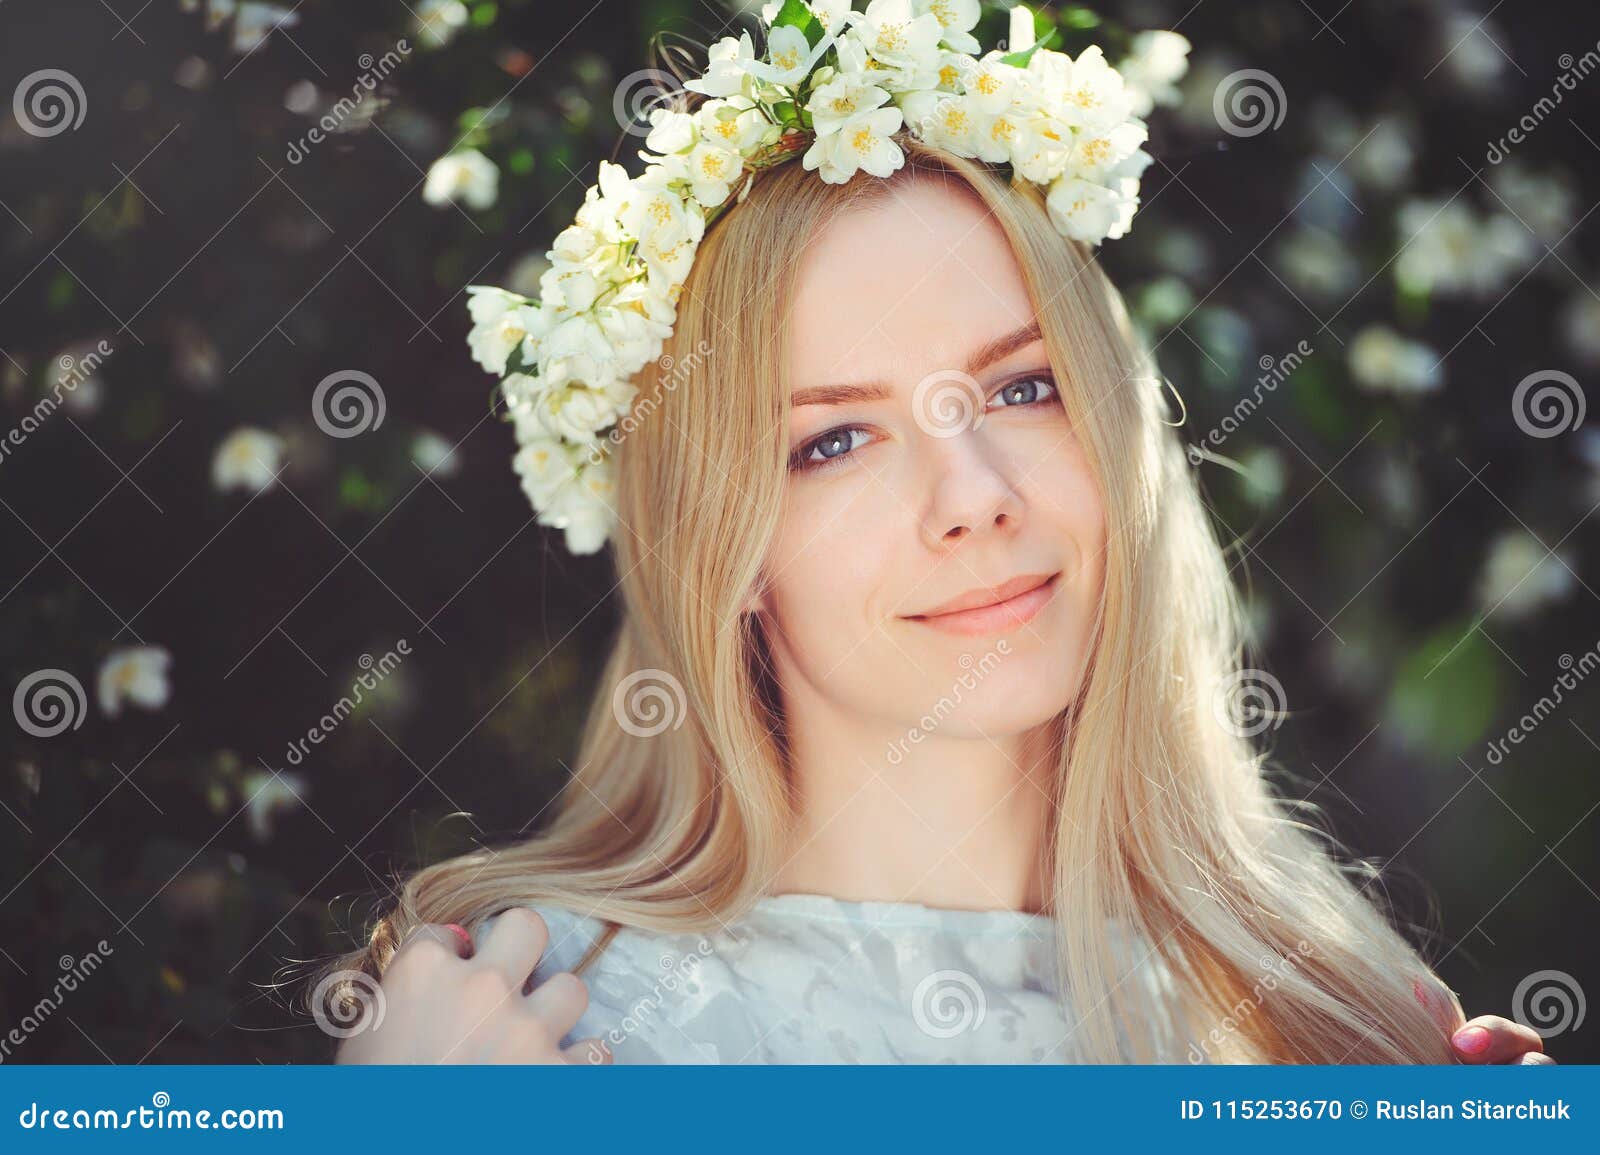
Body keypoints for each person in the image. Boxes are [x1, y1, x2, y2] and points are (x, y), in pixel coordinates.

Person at [319, 2, 1554, 1066]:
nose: (971, 495)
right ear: (724, 551)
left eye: (1023, 388)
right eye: (832, 441)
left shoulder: (1327, 1021)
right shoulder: (543, 1029)